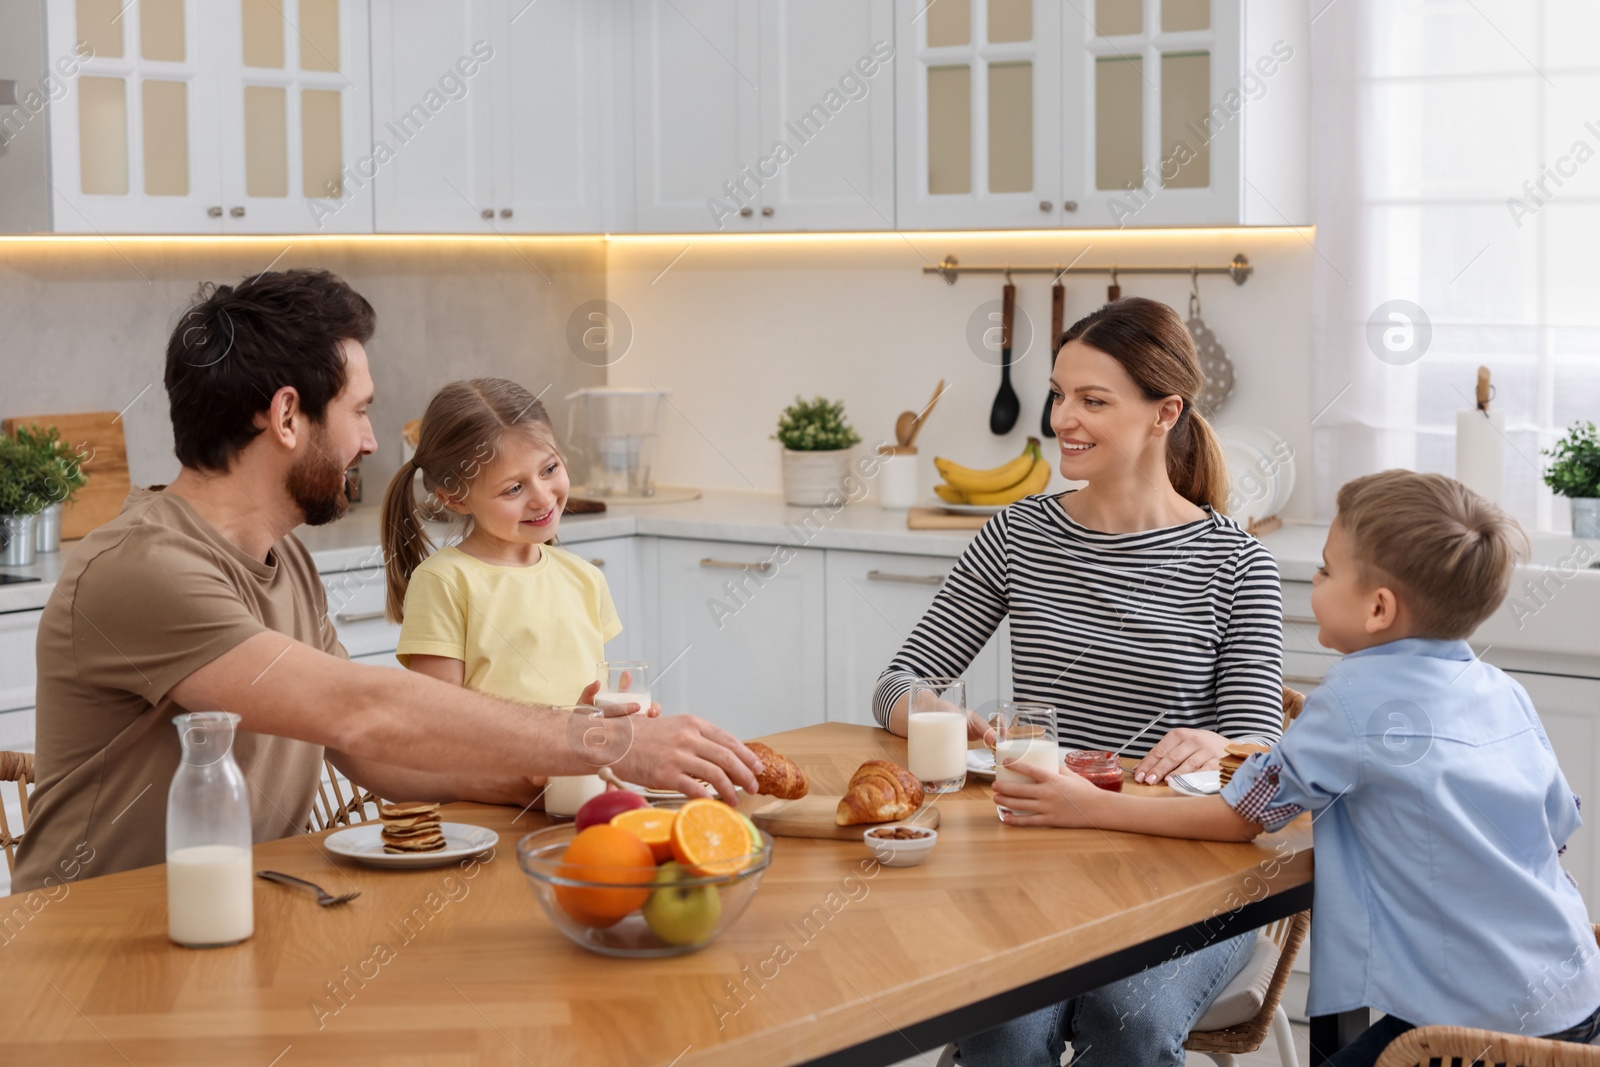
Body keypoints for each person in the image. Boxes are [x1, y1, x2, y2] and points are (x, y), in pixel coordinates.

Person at [13, 269, 760, 894]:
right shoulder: (145, 569)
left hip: (240, 916)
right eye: (360, 410)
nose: (371, 440)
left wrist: (540, 776)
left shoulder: (284, 558)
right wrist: (601, 739)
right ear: (286, 416)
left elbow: (373, 757)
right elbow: (361, 714)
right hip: (101, 948)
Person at [997, 470, 1600, 1062]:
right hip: (1576, 995)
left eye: (1325, 570)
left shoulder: (1352, 699)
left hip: (1468, 1028)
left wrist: (1089, 804)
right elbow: (1556, 826)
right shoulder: (1501, 690)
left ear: (1378, 609)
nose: (1312, 580)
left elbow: (1241, 816)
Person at [874, 297, 1285, 1064]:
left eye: (1093, 400)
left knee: (1127, 1015)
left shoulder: (1235, 564)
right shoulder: (1019, 532)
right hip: (1038, 857)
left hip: (1186, 872)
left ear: (1165, 412)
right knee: (1005, 1024)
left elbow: (1260, 753)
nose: (1064, 417)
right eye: (1060, 394)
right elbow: (897, 680)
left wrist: (1221, 738)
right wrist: (938, 715)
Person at [382, 377, 656, 720]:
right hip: (489, 775)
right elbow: (438, 725)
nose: (543, 498)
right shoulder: (444, 582)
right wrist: (553, 739)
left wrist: (608, 719)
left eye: (550, 468)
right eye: (513, 488)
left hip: (577, 773)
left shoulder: (585, 578)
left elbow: (580, 713)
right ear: (455, 498)